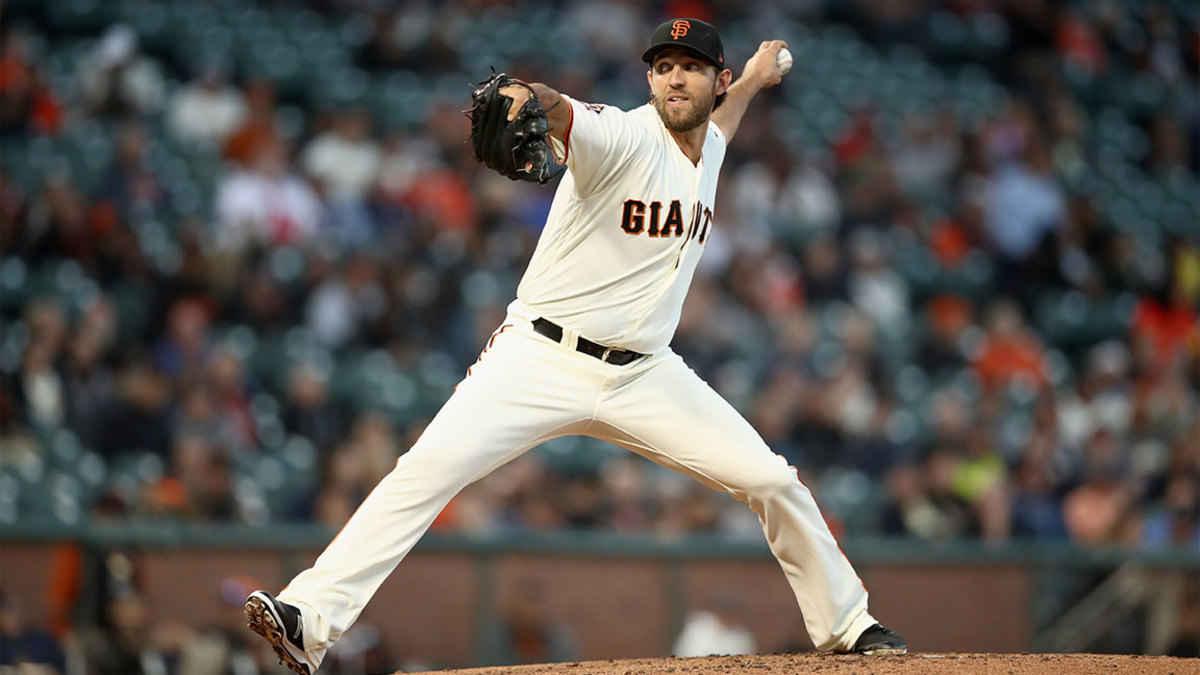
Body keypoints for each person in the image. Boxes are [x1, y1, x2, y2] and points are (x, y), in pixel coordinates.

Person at [245, 19, 906, 673]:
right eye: (663, 65)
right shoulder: (621, 134)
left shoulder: (712, 148)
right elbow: (562, 111)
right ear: (648, 78)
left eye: (692, 66)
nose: (675, 75)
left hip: (646, 375)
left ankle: (848, 622)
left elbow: (722, 125)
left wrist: (758, 78)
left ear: (717, 80)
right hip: (540, 356)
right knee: (425, 471)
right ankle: (309, 616)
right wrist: (530, 98)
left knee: (772, 479)